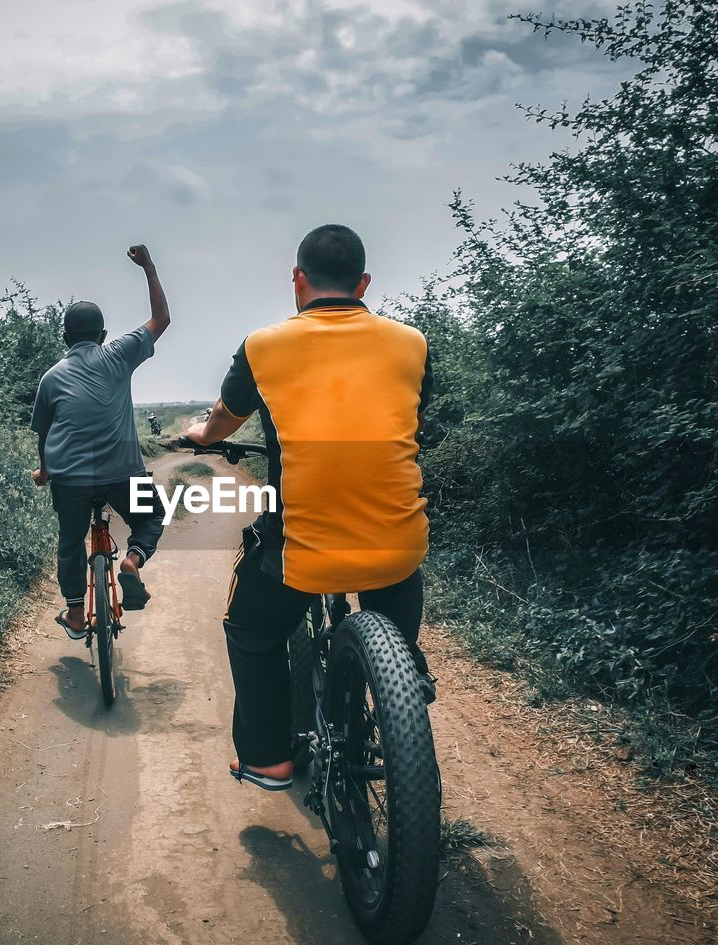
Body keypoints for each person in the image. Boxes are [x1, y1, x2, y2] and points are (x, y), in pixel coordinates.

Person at [185, 224, 433, 792]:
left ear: (297, 280)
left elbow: (223, 420)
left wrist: (200, 435)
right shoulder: (412, 343)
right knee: (396, 574)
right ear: (364, 282)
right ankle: (407, 673)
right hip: (396, 549)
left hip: (303, 551)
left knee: (249, 626)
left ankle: (269, 758)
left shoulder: (263, 346)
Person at [31, 245, 170, 637]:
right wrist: (149, 267)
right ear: (104, 335)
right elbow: (161, 318)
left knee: (70, 542)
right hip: (123, 475)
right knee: (152, 515)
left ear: (64, 338)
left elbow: (44, 432)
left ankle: (76, 615)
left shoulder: (51, 378)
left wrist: (44, 471)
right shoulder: (118, 355)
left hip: (71, 480)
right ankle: (133, 561)